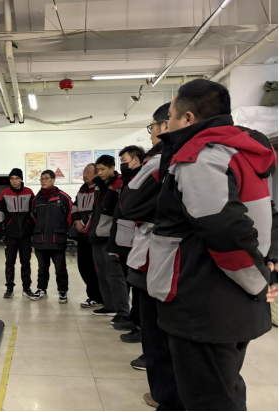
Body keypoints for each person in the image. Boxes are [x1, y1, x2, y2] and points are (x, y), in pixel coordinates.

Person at [149, 79, 277, 411]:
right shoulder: (239, 149)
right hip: (229, 299)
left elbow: (224, 230)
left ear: (188, 118)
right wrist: (261, 276)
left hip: (204, 301)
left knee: (208, 399)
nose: (166, 126)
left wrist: (258, 280)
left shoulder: (201, 157)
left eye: (170, 118)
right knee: (224, 388)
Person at [121, 102, 186, 411]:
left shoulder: (163, 161)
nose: (151, 134)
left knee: (158, 332)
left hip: (160, 258)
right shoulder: (220, 154)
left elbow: (129, 203)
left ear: (167, 124)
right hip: (181, 260)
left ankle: (166, 396)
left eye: (153, 127)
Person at [107, 146, 145, 337]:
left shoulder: (142, 179)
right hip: (125, 238)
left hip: (137, 239)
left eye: (123, 161)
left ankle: (140, 324)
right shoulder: (129, 180)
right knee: (129, 279)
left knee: (137, 282)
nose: (121, 165)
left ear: (135, 160)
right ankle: (133, 318)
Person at [87, 155, 124, 319]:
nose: (100, 173)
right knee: (101, 274)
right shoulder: (99, 186)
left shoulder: (119, 185)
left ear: (112, 168)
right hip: (97, 235)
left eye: (103, 169)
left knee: (114, 275)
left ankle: (122, 311)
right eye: (98, 170)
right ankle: (108, 305)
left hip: (111, 237)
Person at [31, 170, 73, 304]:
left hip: (57, 239)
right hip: (41, 240)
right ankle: (41, 290)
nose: (43, 181)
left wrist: (61, 231)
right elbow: (33, 218)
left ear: (53, 180)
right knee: (42, 267)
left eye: (46, 178)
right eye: (41, 179)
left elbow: (69, 217)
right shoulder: (36, 200)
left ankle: (63, 291)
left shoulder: (63, 198)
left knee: (60, 268)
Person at [0, 168, 35, 299]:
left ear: (21, 179)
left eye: (17, 178)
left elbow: (34, 214)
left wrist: (33, 231)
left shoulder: (29, 192)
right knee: (9, 263)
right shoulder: (4, 193)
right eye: (11, 179)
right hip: (10, 234)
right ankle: (9, 288)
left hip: (26, 234)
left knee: (26, 263)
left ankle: (26, 288)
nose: (14, 181)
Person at [72, 164, 103, 309]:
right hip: (82, 236)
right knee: (84, 266)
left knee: (96, 267)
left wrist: (87, 226)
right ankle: (93, 295)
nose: (85, 175)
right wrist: (77, 222)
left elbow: (97, 212)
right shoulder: (82, 190)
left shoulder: (100, 189)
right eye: (84, 172)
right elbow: (75, 208)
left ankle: (99, 297)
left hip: (95, 235)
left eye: (88, 172)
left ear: (96, 174)